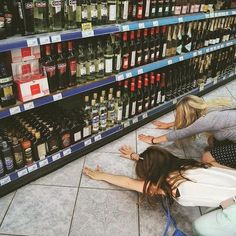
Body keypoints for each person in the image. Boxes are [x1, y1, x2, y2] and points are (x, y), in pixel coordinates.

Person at [83, 145, 236, 236]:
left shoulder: (172, 187)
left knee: (200, 226)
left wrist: (101, 175)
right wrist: (137, 157)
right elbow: (160, 161)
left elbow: (129, 183)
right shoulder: (187, 165)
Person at [138, 95, 236, 169]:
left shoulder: (207, 120)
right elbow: (191, 122)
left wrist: (153, 140)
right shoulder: (209, 107)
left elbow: (181, 133)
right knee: (211, 140)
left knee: (206, 158)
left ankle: (231, 174)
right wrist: (168, 125)